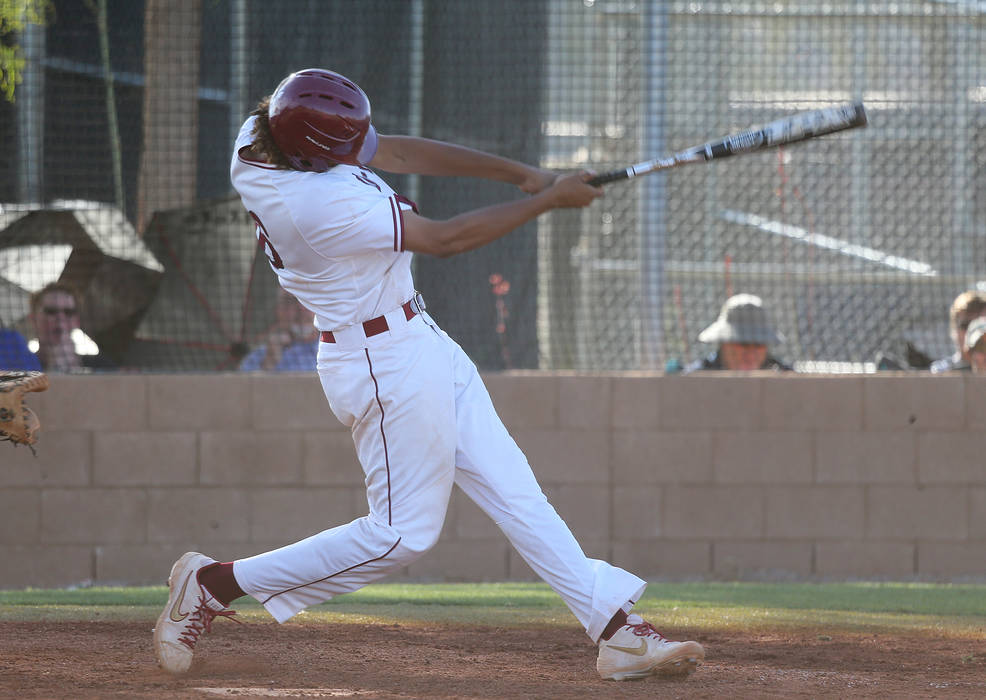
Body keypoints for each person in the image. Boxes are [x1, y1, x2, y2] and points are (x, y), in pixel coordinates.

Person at [153, 68, 704, 681]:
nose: (362, 150)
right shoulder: (317, 203)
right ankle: (214, 584)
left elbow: (397, 150)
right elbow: (446, 239)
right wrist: (545, 201)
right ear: (309, 149)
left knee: (516, 492)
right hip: (380, 365)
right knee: (400, 536)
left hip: (419, 338)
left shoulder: (263, 137)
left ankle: (618, 632)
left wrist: (522, 174)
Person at [684, 293, 791, 372]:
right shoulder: (697, 376)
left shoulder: (783, 374)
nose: (751, 353)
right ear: (724, 344)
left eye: (758, 344)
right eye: (744, 343)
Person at [29, 282, 114, 372]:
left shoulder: (101, 365)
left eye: (68, 312)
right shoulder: (20, 366)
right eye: (51, 311)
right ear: (33, 319)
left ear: (77, 321)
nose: (60, 318)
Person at [238, 288, 318, 371]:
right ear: (278, 310)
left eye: (307, 301)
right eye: (290, 302)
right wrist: (269, 362)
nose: (301, 309)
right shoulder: (258, 357)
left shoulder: (330, 348)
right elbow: (245, 383)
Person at [930, 290, 986, 373]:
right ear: (953, 330)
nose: (971, 331)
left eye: (979, 325)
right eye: (965, 325)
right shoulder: (941, 371)